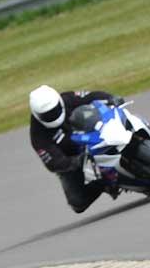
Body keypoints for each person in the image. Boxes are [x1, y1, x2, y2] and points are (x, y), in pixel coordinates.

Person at [29, 85, 124, 213]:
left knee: (118, 115)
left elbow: (90, 96)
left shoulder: (67, 98)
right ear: (37, 115)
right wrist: (76, 161)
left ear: (59, 102)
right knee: (77, 202)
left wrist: (110, 98)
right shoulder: (37, 135)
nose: (52, 115)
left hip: (94, 131)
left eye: (54, 110)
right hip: (74, 156)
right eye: (47, 115)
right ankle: (104, 183)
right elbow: (53, 163)